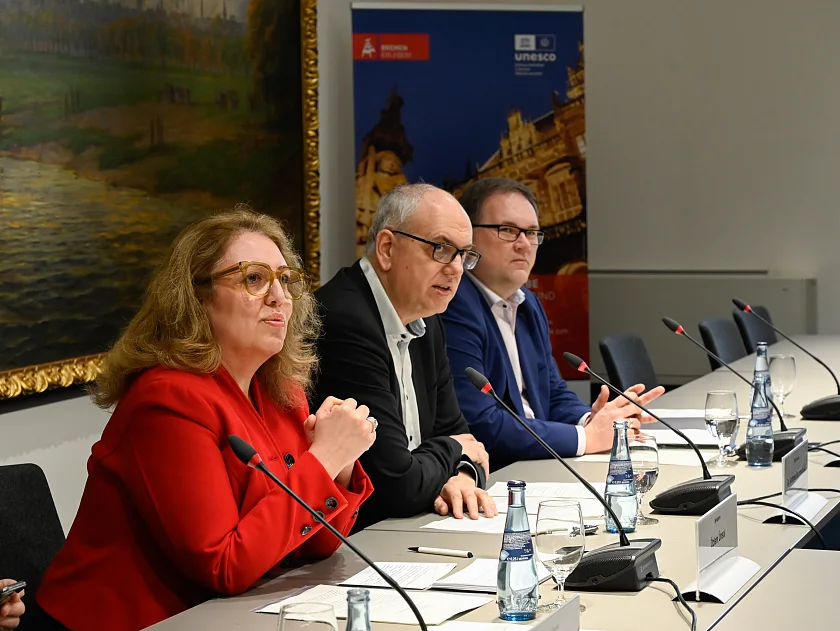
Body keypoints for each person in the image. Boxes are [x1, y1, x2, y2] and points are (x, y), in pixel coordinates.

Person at [36, 207, 375, 631]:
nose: (279, 296)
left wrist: (340, 464)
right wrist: (324, 459)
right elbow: (223, 565)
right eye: (254, 278)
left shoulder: (282, 391)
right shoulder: (167, 401)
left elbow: (314, 544)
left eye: (285, 279)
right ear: (197, 297)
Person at [442, 178, 665, 470]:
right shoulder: (454, 305)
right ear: (469, 238)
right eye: (507, 230)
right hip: (496, 473)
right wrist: (586, 438)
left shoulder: (528, 304)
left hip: (540, 462)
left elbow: (553, 392)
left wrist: (593, 420)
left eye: (532, 232)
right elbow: (481, 424)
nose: (524, 244)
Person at [313, 183, 498, 529]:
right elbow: (395, 484)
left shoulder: (427, 318)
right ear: (387, 248)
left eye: (464, 255)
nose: (457, 268)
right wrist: (453, 450)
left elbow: (462, 436)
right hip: (361, 538)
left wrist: (461, 477)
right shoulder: (345, 321)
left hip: (413, 525)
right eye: (441, 249)